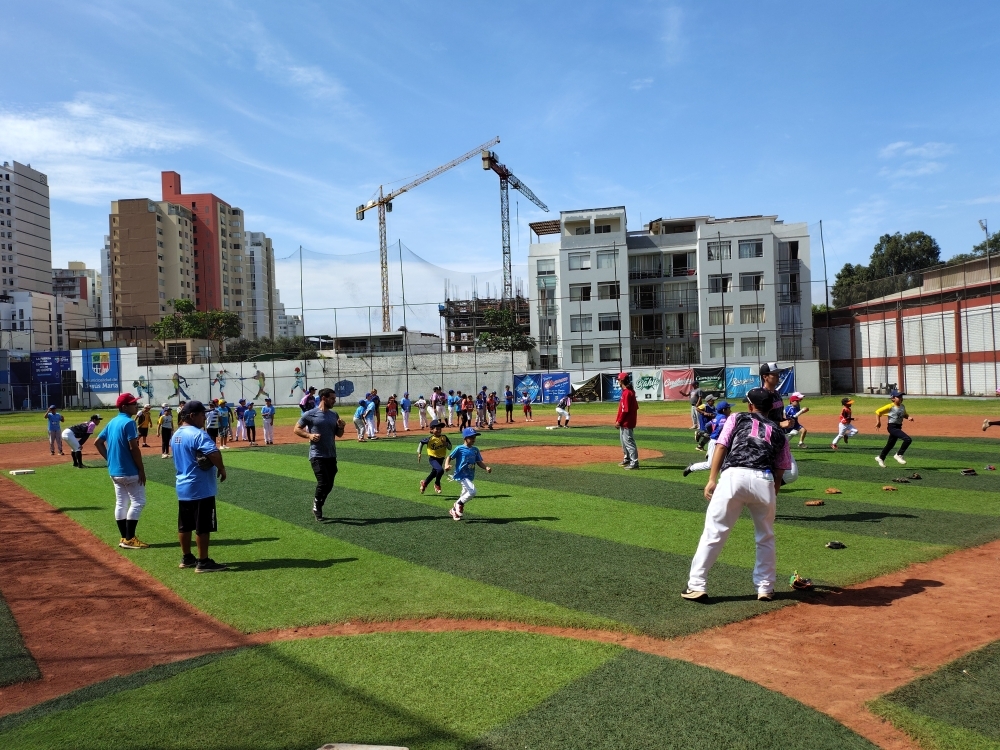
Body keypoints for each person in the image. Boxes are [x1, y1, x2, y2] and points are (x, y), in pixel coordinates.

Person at [682, 387, 791, 603]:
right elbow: (780, 470)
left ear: (750, 406)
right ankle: (765, 588)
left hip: (734, 477)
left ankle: (697, 585)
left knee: (714, 532)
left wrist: (712, 479)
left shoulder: (738, 417)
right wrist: (772, 496)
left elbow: (722, 446)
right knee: (765, 536)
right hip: (765, 481)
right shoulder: (779, 432)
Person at [171, 400, 228, 572]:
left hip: (183, 485)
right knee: (202, 526)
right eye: (202, 414)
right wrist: (222, 468)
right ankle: (203, 562)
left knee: (185, 525)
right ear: (192, 416)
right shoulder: (198, 434)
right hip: (200, 487)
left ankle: (187, 557)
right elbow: (214, 453)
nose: (205, 416)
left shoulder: (176, 435)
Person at [94, 393, 148, 550]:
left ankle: (124, 538)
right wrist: (141, 469)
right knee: (138, 502)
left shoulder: (112, 422)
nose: (135, 406)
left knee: (121, 502)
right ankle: (129, 538)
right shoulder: (129, 423)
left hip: (114, 471)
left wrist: (110, 460)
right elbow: (134, 447)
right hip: (129, 471)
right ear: (124, 407)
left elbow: (98, 443)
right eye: (133, 404)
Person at [293, 387, 345, 521]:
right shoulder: (310, 414)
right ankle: (317, 506)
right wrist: (309, 435)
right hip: (317, 455)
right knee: (323, 482)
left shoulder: (334, 415)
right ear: (324, 398)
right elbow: (296, 429)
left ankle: (319, 503)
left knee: (330, 484)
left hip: (331, 454)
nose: (334, 400)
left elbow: (338, 435)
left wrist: (341, 427)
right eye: (332, 398)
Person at [759, 362, 797, 484]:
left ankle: (764, 490)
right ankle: (761, 491)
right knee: (789, 473)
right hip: (767, 440)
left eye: (778, 374)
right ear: (765, 377)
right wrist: (780, 424)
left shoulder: (776, 394)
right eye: (774, 374)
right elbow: (759, 419)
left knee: (791, 474)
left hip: (779, 437)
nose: (778, 376)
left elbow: (779, 415)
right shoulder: (761, 395)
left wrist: (786, 420)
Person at [444, 427, 492, 521]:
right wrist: (446, 465)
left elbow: (478, 461)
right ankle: (459, 504)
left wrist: (485, 467)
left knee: (465, 494)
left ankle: (454, 510)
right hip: (461, 475)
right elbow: (449, 457)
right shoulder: (459, 448)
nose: (473, 439)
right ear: (465, 438)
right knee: (472, 491)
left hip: (469, 475)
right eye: (471, 437)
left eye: (474, 437)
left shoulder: (475, 450)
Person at [684, 401, 731, 476]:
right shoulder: (724, 419)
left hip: (716, 442)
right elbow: (721, 427)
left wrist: (711, 434)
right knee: (710, 465)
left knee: (725, 464)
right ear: (724, 410)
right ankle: (692, 467)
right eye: (729, 408)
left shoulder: (718, 416)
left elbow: (708, 425)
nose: (730, 410)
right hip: (717, 443)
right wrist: (716, 434)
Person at [875, 389, 914, 467]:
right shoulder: (890, 406)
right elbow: (878, 412)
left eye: (901, 396)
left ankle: (880, 457)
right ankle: (899, 454)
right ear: (893, 398)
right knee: (908, 439)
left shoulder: (902, 406)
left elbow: (904, 414)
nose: (901, 398)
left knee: (890, 445)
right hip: (892, 427)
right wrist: (878, 422)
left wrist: (908, 417)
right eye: (898, 397)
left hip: (898, 427)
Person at [417, 419, 452, 495]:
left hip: (441, 459)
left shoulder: (444, 437)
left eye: (440, 429)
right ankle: (437, 484)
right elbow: (421, 442)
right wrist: (419, 453)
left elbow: (450, 447)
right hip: (433, 458)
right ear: (432, 429)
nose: (439, 430)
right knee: (440, 470)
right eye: (437, 429)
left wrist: (445, 443)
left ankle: (424, 483)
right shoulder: (430, 439)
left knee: (434, 473)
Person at [615, 372, 639, 469]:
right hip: (626, 421)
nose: (617, 381)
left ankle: (634, 462)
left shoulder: (627, 393)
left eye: (618, 380)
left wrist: (619, 421)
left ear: (621, 381)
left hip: (626, 422)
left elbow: (625, 410)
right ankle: (627, 459)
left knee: (629, 442)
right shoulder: (628, 392)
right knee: (623, 442)